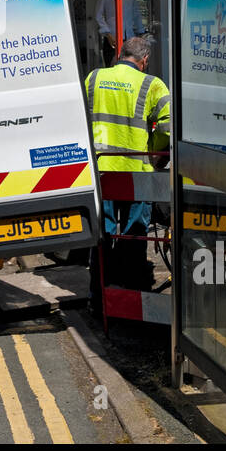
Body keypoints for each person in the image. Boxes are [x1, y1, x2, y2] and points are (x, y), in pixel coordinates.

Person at [84, 35, 170, 312]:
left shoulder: (93, 78)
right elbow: (168, 127)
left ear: (120, 54)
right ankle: (134, 300)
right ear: (144, 60)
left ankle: (99, 298)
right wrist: (155, 155)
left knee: (103, 236)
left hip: (101, 172)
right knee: (135, 236)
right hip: (136, 173)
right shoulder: (152, 84)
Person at [95, 0, 146, 68]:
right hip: (112, 40)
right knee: (111, 67)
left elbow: (136, 13)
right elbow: (98, 15)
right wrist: (108, 34)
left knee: (131, 67)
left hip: (129, 39)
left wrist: (141, 32)